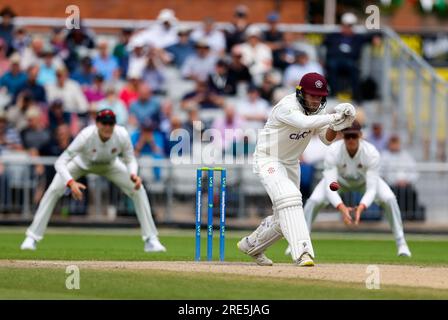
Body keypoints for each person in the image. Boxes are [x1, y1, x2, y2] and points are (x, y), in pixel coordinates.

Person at [237, 72, 356, 266]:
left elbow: (326, 139)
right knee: (290, 199)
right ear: (301, 93)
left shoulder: (317, 112)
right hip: (269, 159)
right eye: (312, 95)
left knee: (283, 217)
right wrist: (334, 116)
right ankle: (303, 253)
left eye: (320, 97)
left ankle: (251, 245)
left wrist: (337, 125)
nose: (316, 100)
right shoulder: (286, 106)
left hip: (291, 163)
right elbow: (303, 123)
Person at [20, 109, 166, 253]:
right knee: (53, 190)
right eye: (104, 123)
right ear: (97, 124)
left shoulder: (121, 134)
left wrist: (133, 174)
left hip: (110, 165)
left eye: (110, 123)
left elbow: (130, 159)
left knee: (138, 189)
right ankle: (31, 237)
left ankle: (151, 240)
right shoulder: (86, 135)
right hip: (82, 164)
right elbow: (60, 162)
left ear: (115, 124)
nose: (107, 127)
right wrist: (70, 182)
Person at [289, 122, 411, 257]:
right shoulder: (333, 151)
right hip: (338, 183)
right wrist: (342, 208)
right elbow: (331, 186)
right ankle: (300, 243)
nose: (351, 140)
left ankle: (401, 243)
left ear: (360, 136)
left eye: (354, 136)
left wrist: (361, 207)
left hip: (364, 181)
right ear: (342, 136)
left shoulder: (371, 153)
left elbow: (371, 189)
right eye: (348, 137)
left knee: (389, 199)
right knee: (313, 201)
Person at [381, 135, 424, 221]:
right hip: (392, 185)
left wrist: (407, 181)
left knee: (411, 193)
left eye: (396, 143)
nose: (394, 146)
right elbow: (381, 173)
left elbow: (414, 171)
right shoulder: (384, 156)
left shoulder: (406, 156)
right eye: (392, 143)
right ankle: (396, 216)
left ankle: (410, 216)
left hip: (406, 185)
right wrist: (394, 181)